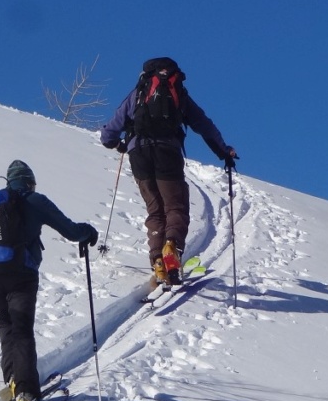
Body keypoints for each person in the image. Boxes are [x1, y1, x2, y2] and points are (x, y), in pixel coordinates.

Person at [0, 160, 98, 401]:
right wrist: (87, 232)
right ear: (30, 181)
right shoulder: (35, 200)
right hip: (21, 275)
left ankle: (13, 378)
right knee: (21, 329)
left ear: (8, 182)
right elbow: (71, 231)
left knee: (6, 320)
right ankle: (26, 395)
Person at [100, 57, 237, 286]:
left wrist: (120, 145)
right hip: (167, 152)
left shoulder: (138, 93)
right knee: (175, 206)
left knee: (155, 211)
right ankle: (171, 246)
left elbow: (108, 135)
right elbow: (205, 126)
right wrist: (224, 152)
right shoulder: (180, 95)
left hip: (139, 155)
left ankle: (158, 261)